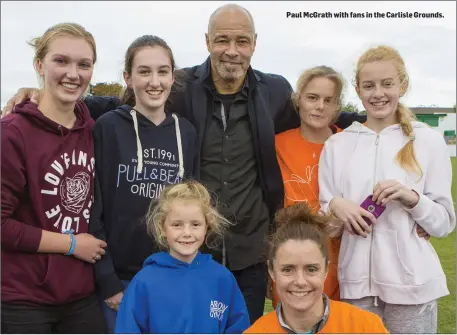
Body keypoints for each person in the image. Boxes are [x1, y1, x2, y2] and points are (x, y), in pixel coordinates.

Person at [0, 4, 367, 323]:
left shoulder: (272, 91)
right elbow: (126, 103)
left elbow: (318, 114)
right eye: (222, 40)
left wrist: (378, 119)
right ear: (207, 41)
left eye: (242, 41)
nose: (232, 51)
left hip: (249, 252)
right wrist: (40, 95)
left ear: (255, 43)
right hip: (190, 252)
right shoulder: (183, 86)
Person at [318, 45, 456, 333]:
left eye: (387, 84)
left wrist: (412, 198)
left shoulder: (428, 141)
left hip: (413, 287)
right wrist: (334, 206)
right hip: (356, 287)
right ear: (358, 89)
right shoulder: (337, 145)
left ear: (402, 85)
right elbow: (328, 225)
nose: (377, 93)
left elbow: (444, 224)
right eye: (368, 86)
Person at [1, 23, 107, 333]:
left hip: (81, 294)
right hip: (23, 299)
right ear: (39, 64)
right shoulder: (13, 133)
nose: (73, 74)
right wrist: (72, 244)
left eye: (83, 64)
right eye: (61, 61)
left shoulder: (93, 128)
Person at [88, 35, 198, 333]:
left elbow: (193, 210)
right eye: (144, 71)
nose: (154, 81)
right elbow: (93, 209)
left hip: (170, 275)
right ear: (128, 77)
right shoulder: (108, 127)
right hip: (119, 280)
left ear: (172, 76)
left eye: (163, 71)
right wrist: (107, 279)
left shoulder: (186, 133)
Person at [115, 180, 250, 333]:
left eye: (195, 224)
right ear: (162, 228)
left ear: (207, 227)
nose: (187, 233)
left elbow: (239, 327)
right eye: (177, 225)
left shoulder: (223, 279)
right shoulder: (144, 281)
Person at [244, 203, 389, 333]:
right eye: (288, 269)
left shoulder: (365, 327)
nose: (300, 281)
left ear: (326, 270)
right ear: (271, 271)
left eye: (311, 269)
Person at [272, 66, 344, 308]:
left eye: (328, 100)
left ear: (337, 106)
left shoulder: (350, 143)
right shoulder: (277, 144)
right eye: (312, 97)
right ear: (298, 99)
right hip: (293, 261)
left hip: (342, 261)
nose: (320, 106)